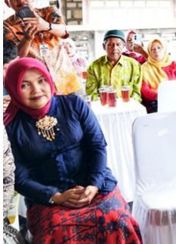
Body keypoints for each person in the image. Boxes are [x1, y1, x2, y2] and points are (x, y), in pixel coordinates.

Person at [3, 58, 141, 243]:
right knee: (56, 232)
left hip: (94, 185)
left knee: (116, 219)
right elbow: (19, 176)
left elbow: (97, 146)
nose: (36, 90)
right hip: (48, 196)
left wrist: (94, 185)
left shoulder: (74, 104)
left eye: (41, 80)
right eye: (25, 85)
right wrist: (56, 196)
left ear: (49, 80)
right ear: (13, 89)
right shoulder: (11, 127)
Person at [3, 0, 81, 95]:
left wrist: (46, 25)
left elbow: (64, 32)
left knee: (79, 110)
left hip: (66, 78)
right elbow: (16, 56)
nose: (21, 0)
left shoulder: (49, 11)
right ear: (7, 3)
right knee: (46, 113)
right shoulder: (7, 26)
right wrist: (27, 39)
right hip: (39, 87)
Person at [86, 30, 142, 102]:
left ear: (123, 46)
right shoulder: (94, 67)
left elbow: (136, 93)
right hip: (103, 108)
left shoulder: (134, 65)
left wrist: (126, 105)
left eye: (118, 44)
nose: (114, 48)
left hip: (127, 107)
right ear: (104, 46)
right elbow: (91, 93)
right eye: (110, 45)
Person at [141, 37, 176, 113]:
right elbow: (144, 90)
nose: (156, 51)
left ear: (164, 49)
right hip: (155, 103)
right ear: (149, 52)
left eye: (159, 48)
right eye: (153, 49)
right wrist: (162, 95)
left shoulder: (174, 65)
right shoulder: (144, 68)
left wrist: (173, 96)